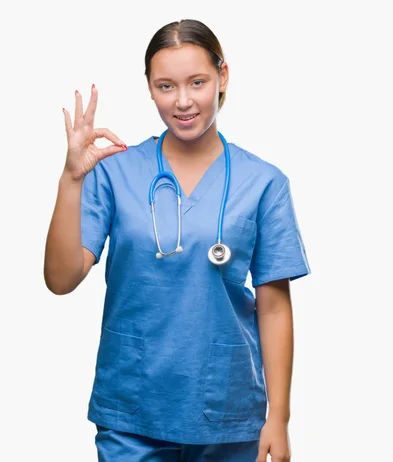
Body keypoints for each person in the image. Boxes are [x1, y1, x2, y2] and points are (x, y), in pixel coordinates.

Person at [44, 18, 311, 462]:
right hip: (132, 408)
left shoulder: (264, 183)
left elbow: (274, 306)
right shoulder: (114, 172)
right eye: (166, 86)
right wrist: (72, 179)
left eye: (198, 82)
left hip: (227, 408)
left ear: (222, 77)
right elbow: (60, 278)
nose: (183, 101)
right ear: (149, 87)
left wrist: (278, 418)